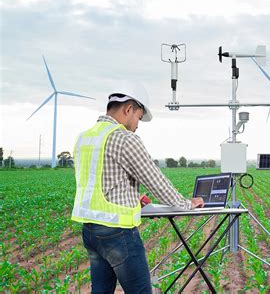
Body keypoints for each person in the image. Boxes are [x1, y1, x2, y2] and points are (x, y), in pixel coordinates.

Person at [71, 82, 204, 293]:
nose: (138, 124)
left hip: (90, 231)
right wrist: (187, 204)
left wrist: (132, 196)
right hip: (117, 233)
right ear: (128, 108)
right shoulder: (124, 138)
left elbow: (96, 181)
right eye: (139, 117)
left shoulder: (84, 138)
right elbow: (156, 182)